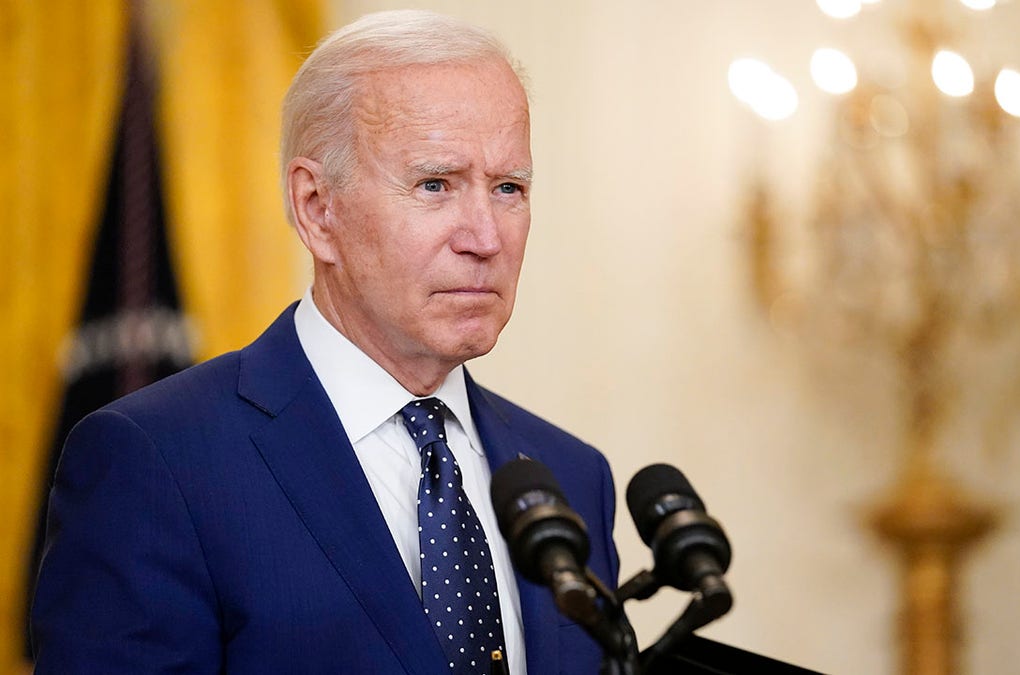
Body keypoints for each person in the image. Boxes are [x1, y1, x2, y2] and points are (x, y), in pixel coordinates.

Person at [30, 10, 619, 675]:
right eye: (435, 185)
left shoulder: (573, 480)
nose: (485, 237)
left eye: (509, 188)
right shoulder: (155, 463)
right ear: (317, 207)